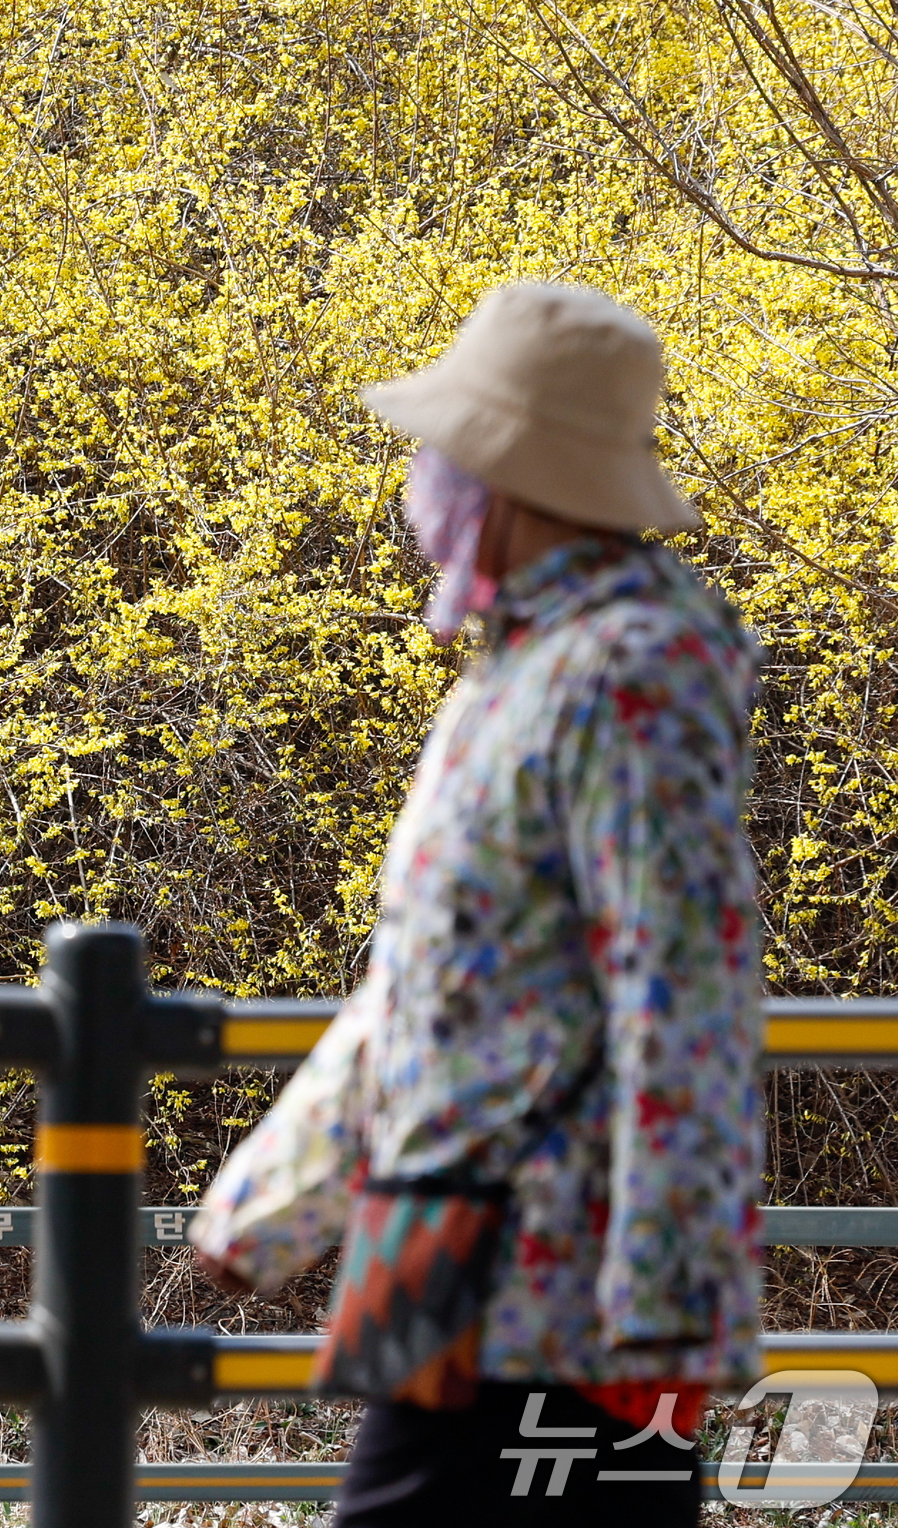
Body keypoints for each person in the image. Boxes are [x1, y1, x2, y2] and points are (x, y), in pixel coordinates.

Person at [188, 282, 761, 1525]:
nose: (421, 483)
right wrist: (263, 1208)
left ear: (506, 473)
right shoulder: (518, 677)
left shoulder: (628, 676)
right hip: (465, 1260)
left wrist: (661, 1310)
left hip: (568, 1293)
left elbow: (683, 989)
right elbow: (428, 980)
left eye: (444, 450)